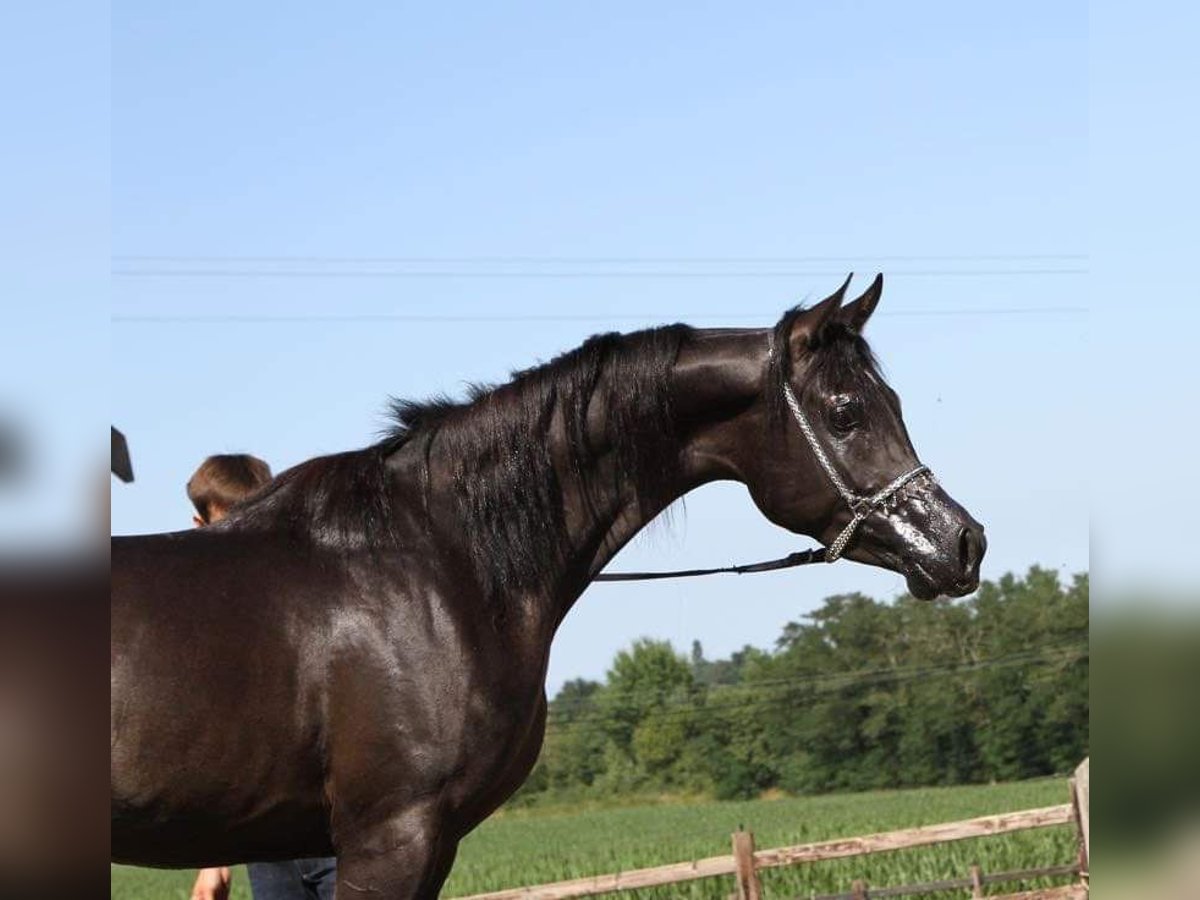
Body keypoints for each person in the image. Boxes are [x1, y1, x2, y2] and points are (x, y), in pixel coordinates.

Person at [185, 454, 337, 900]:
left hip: (337, 836)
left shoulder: (313, 599)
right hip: (267, 846)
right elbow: (223, 751)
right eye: (230, 531)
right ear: (200, 527)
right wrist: (213, 863)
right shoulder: (205, 625)